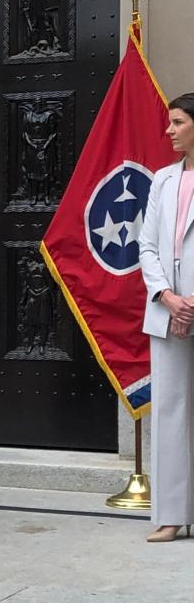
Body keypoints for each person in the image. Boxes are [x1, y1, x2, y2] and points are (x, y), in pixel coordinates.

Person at [139, 93, 194, 542]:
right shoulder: (162, 179)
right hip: (165, 310)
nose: (169, 131)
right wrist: (166, 296)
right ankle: (171, 514)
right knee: (171, 410)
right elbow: (147, 245)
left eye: (177, 123)